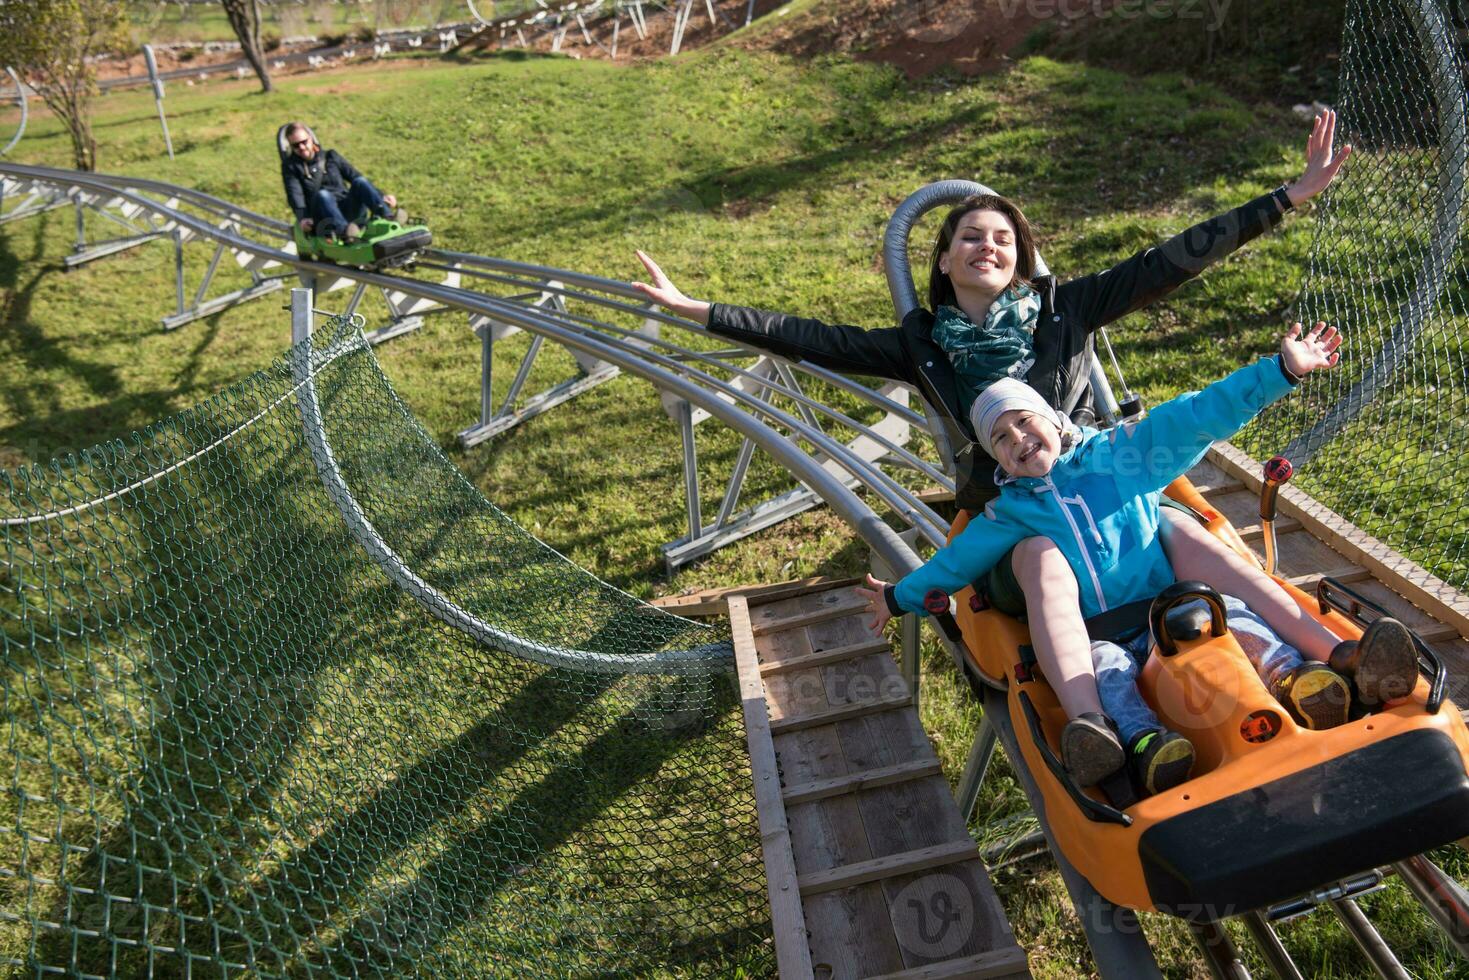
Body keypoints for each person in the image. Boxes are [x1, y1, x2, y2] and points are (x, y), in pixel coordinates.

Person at [633, 113, 1354, 739]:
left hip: (1100, 486)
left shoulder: (1063, 312)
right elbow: (809, 336)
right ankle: (1095, 724)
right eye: (970, 237)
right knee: (1042, 555)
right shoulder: (920, 344)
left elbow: (1167, 262)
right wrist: (698, 310)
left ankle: (1317, 654)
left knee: (1186, 533)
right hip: (1016, 518)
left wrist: (1286, 198)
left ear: (1019, 258)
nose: (987, 245)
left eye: (1002, 238)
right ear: (943, 261)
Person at [856, 323, 1420, 795]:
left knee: (1238, 625)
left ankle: (1305, 679)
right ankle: (1133, 742)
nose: (1019, 439)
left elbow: (1196, 415)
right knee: (1110, 679)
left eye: (1025, 421)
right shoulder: (1010, 515)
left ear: (1055, 421)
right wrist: (897, 596)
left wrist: (1282, 372)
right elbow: (952, 566)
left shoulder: (1120, 455)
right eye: (1002, 438)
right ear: (997, 458)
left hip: (1172, 606)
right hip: (1098, 631)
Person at [279, 121, 406, 243]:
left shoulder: (330, 156)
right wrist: (303, 218)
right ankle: (345, 232)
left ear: (311, 139)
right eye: (296, 145)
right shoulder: (291, 167)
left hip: (346, 208)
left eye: (304, 142)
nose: (301, 147)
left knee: (359, 182)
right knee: (323, 194)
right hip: (323, 218)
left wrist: (382, 196)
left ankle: (387, 217)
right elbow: (295, 195)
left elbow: (355, 176)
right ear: (291, 147)